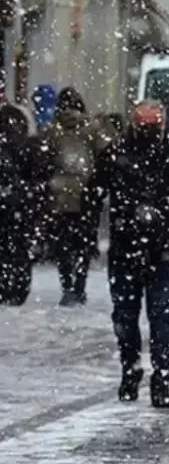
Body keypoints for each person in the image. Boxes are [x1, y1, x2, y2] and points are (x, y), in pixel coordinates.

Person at [86, 100, 169, 408]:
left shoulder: (161, 156)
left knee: (150, 314)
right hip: (140, 248)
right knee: (139, 314)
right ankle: (141, 371)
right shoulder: (127, 156)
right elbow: (93, 194)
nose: (149, 133)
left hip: (152, 248)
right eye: (146, 127)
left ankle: (153, 374)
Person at [37, 87, 102, 306]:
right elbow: (104, 156)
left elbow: (43, 161)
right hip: (86, 194)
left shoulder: (51, 131)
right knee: (83, 243)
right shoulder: (92, 129)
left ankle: (67, 286)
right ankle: (80, 285)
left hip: (60, 195)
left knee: (62, 244)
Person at [0, 104, 38, 305]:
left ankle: (8, 286)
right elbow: (37, 174)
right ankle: (17, 288)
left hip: (13, 203)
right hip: (21, 205)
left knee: (9, 247)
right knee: (19, 248)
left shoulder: (16, 147)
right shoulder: (27, 146)